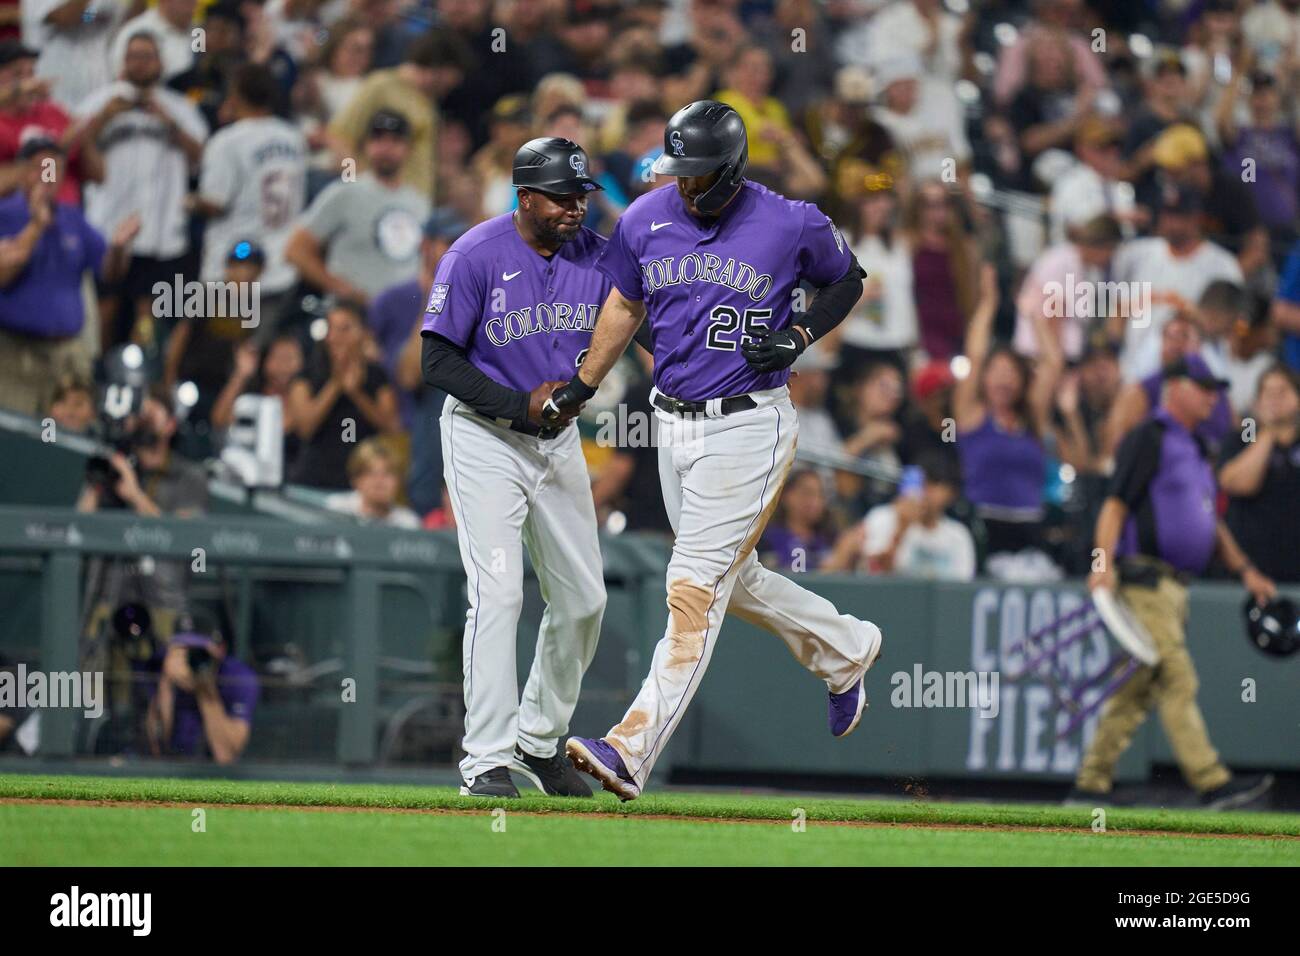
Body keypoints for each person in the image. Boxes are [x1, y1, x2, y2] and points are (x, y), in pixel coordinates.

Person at [547, 101, 883, 801]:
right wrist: (584, 383)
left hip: (748, 422)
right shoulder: (644, 219)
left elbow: (848, 278)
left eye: (697, 175)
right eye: (679, 173)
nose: (685, 185)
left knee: (692, 588)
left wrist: (799, 337)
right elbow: (623, 307)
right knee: (735, 580)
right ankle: (846, 649)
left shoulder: (790, 219)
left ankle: (629, 750)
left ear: (730, 171)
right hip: (672, 424)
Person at [419, 137, 618, 799]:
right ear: (524, 195)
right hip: (486, 436)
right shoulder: (475, 253)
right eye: (560, 196)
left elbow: (640, 320)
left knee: (585, 600)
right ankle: (485, 760)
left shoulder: (595, 254)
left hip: (555, 440)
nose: (573, 207)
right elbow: (438, 363)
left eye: (581, 195)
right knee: (500, 593)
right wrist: (514, 405)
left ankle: (538, 740)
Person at [1069, 356, 1277, 810]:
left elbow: (1212, 524)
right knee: (1178, 677)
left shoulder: (1200, 447)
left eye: (1215, 388)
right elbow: (1115, 504)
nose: (1212, 396)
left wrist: (1247, 571)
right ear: (1174, 387)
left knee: (1138, 687)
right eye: (1202, 386)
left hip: (1175, 589)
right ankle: (1213, 782)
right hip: (1144, 581)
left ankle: (1089, 786)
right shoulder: (1150, 436)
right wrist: (1102, 561)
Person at [68, 30, 208, 349]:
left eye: (148, 56)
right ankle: (95, 372)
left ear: (161, 62)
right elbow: (68, 150)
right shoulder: (101, 100)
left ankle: (142, 377)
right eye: (134, 56)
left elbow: (200, 158)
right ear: (123, 62)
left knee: (151, 311)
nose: (140, 64)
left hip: (160, 231)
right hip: (108, 225)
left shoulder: (180, 107)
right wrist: (103, 119)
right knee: (105, 307)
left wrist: (168, 123)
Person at [0, 136, 135, 416]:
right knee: (13, 435)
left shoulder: (73, 219)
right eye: (42, 168)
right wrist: (37, 226)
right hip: (14, 354)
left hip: (61, 357)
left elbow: (110, 272)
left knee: (52, 442)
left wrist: (120, 248)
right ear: (24, 172)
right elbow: (4, 274)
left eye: (56, 169)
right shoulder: (6, 214)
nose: (49, 177)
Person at [953, 263, 1060, 559]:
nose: (1004, 378)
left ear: (1023, 381)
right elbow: (974, 355)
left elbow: (1052, 365)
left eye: (1011, 372)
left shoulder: (1032, 418)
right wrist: (989, 303)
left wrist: (1032, 314)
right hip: (984, 526)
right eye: (997, 371)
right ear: (985, 379)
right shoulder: (972, 415)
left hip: (1030, 528)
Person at [192, 63, 307, 329]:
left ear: (236, 95)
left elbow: (215, 203)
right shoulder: (293, 137)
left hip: (233, 270)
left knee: (222, 357)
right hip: (282, 266)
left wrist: (189, 202)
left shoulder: (227, 141)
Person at [285, 108, 430, 303]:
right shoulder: (345, 192)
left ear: (408, 149)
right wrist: (341, 289)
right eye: (378, 139)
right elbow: (296, 250)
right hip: (350, 318)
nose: (386, 148)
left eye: (395, 141)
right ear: (366, 146)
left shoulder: (419, 203)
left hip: (401, 322)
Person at [285, 298, 399, 489]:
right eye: (331, 329)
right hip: (312, 479)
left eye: (344, 329)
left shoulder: (377, 376)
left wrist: (357, 393)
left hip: (359, 485)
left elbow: (391, 426)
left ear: (363, 333)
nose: (335, 337)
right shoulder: (307, 376)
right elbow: (305, 427)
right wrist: (335, 384)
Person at [824, 455, 975, 581]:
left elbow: (961, 589)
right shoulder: (883, 517)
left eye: (935, 484)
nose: (927, 492)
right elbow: (876, 573)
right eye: (924, 483)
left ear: (951, 493)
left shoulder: (958, 535)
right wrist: (902, 527)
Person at [1218, 365, 1300, 583]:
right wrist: (1268, 432)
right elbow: (1238, 484)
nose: (1275, 399)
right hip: (1251, 569)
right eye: (1267, 393)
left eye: (1282, 392)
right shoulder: (1247, 430)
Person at [145, 619, 258, 764]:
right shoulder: (162, 667)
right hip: (173, 765)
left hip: (217, 774)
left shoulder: (237, 677)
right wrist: (165, 684)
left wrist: (204, 690)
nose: (190, 657)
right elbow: (156, 749)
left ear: (220, 650)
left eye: (198, 650)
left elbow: (225, 755)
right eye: (183, 650)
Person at [325, 438, 420, 529]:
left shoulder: (409, 523)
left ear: (399, 481)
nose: (379, 481)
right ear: (355, 480)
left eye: (387, 473)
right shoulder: (336, 509)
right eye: (371, 473)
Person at [757, 468, 834, 572]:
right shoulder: (767, 539)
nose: (815, 502)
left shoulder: (829, 537)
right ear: (787, 496)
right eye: (807, 493)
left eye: (820, 495)